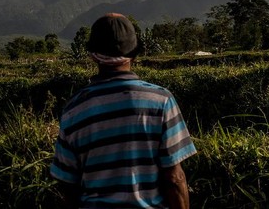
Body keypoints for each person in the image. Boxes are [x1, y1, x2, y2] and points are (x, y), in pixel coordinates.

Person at [51, 13, 197, 209]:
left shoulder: (74, 109)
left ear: (93, 55)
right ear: (134, 53)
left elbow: (68, 186)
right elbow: (174, 177)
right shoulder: (161, 100)